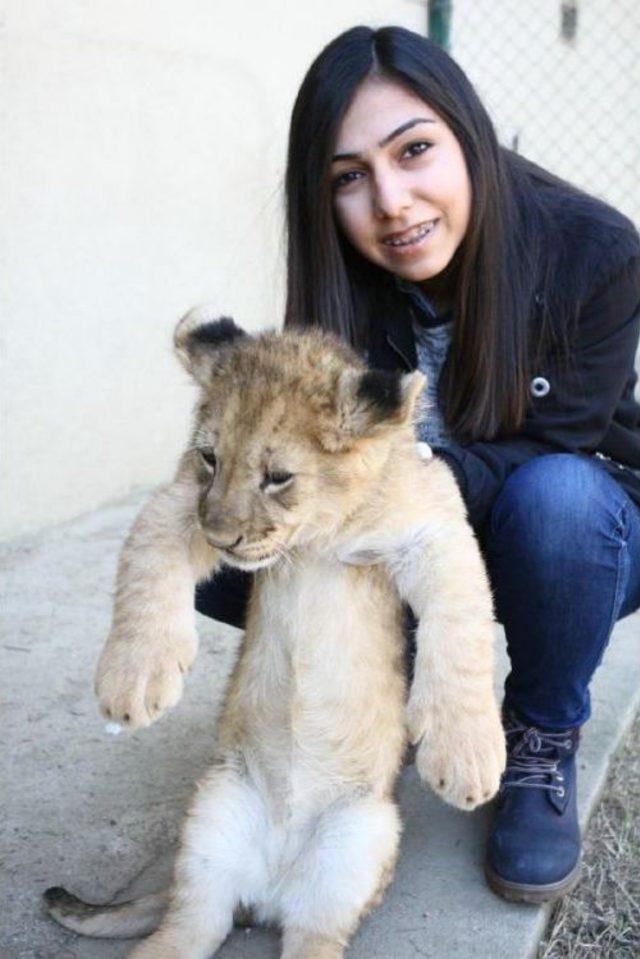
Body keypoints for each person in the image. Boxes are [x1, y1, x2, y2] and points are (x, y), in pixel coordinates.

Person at [195, 25, 640, 903]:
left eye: (415, 151)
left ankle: (541, 734)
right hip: (425, 528)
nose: (391, 201)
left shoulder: (597, 250)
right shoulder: (341, 284)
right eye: (349, 177)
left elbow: (560, 441)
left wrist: (390, 485)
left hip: (571, 539)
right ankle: (370, 714)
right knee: (226, 552)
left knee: (556, 499)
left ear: (467, 136)